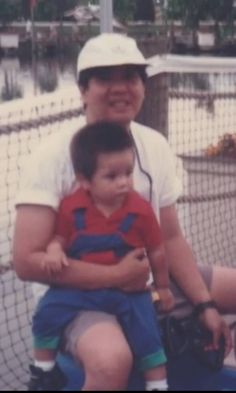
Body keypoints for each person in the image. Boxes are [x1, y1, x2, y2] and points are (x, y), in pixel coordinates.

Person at [13, 33, 233, 391]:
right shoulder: (52, 156)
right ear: (83, 90)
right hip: (77, 295)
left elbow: (171, 238)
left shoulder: (155, 145)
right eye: (105, 78)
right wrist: (116, 276)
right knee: (111, 361)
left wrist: (204, 304)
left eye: (130, 77)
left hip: (146, 278)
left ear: (143, 88)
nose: (120, 88)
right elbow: (26, 261)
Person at [29, 121, 174, 391]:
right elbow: (60, 237)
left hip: (130, 292)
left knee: (148, 334)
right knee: (47, 310)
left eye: (128, 173)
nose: (124, 182)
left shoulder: (140, 210)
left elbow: (157, 249)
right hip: (82, 290)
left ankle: (158, 384)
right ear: (84, 180)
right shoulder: (72, 208)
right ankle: (43, 371)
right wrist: (54, 250)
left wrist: (163, 287)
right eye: (112, 176)